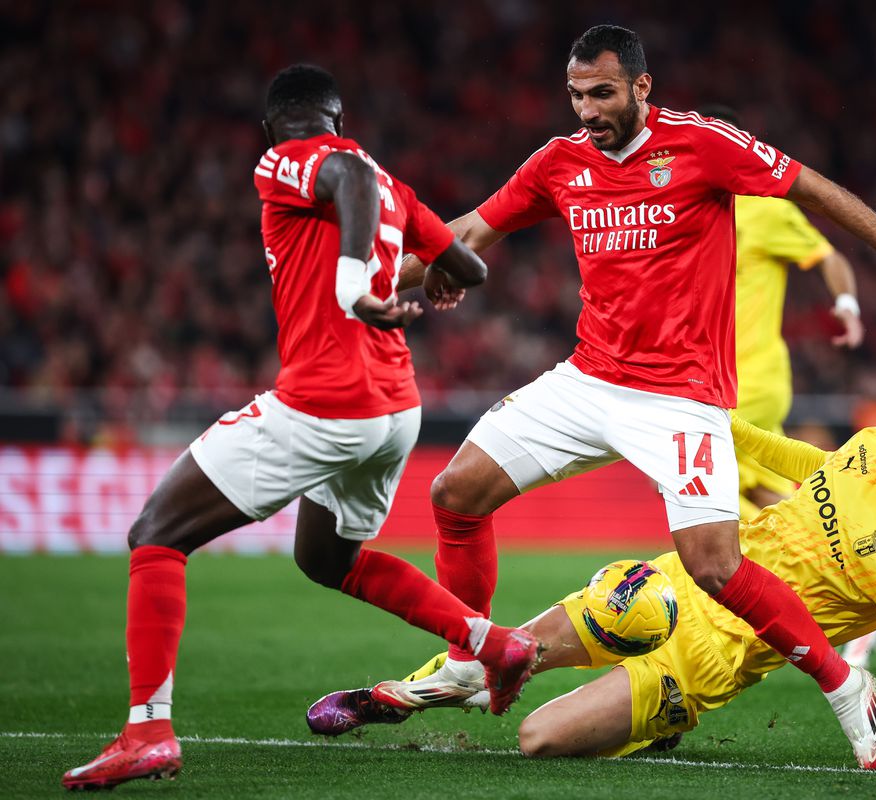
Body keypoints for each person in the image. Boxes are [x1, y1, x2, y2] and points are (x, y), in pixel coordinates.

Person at [402, 24, 876, 766]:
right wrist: (372, 288)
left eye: (602, 93)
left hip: (679, 396)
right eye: (576, 94)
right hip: (587, 377)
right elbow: (470, 231)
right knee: (455, 491)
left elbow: (808, 185)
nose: (586, 109)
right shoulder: (559, 160)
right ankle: (470, 653)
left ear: (642, 86)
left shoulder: (703, 144)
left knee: (714, 564)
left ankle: (843, 686)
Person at [62, 65, 540, 791]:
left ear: (274, 128)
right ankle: (489, 642)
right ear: (340, 116)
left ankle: (147, 731)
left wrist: (354, 285)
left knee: (156, 533)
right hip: (392, 410)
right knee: (326, 557)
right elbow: (468, 265)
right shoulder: (394, 186)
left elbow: (342, 171)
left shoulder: (292, 159)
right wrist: (434, 275)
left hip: (327, 401)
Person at [308, 389, 876, 774]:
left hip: (711, 659)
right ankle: (396, 696)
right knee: (518, 647)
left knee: (537, 739)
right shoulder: (870, 448)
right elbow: (804, 462)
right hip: (684, 580)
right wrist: (719, 423)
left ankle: (653, 726)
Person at [697, 104, 865, 520]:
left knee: (684, 459)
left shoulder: (765, 209)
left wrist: (846, 305)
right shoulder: (687, 214)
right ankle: (832, 549)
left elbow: (829, 258)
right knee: (764, 491)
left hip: (749, 376)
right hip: (712, 376)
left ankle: (734, 567)